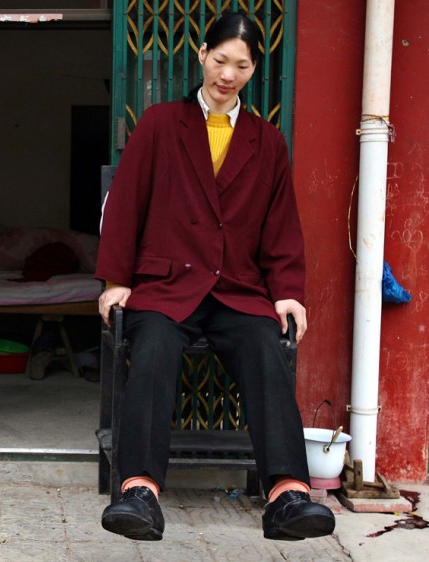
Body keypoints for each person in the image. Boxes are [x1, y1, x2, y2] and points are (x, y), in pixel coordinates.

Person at [95, 12, 335, 542]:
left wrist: (289, 294)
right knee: (153, 348)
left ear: (254, 69)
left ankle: (287, 495)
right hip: (166, 286)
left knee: (265, 351)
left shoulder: (267, 141)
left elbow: (281, 227)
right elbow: (126, 206)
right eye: (221, 60)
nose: (229, 74)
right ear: (202, 54)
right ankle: (139, 492)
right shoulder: (159, 123)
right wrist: (115, 280)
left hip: (236, 289)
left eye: (242, 65)